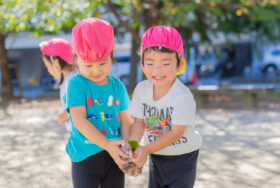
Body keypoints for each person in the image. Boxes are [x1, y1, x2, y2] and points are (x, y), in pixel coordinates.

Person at [128, 25, 202, 188]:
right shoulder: (141, 90)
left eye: (166, 63)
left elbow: (176, 133)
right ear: (142, 64)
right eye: (150, 63)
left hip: (183, 156)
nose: (157, 70)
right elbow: (139, 123)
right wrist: (133, 147)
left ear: (178, 64)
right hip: (157, 154)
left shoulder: (182, 95)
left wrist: (145, 149)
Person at [64, 18, 132, 188]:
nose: (96, 70)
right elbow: (79, 120)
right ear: (76, 58)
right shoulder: (76, 84)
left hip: (114, 155)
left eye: (103, 63)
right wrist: (107, 145)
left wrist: (128, 146)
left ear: (112, 53)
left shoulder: (117, 86)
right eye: (88, 65)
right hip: (85, 156)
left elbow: (126, 120)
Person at [40, 38, 75, 130]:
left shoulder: (71, 80)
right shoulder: (70, 78)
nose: (48, 70)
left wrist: (62, 116)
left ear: (55, 63)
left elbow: (76, 104)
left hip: (80, 135)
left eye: (47, 66)